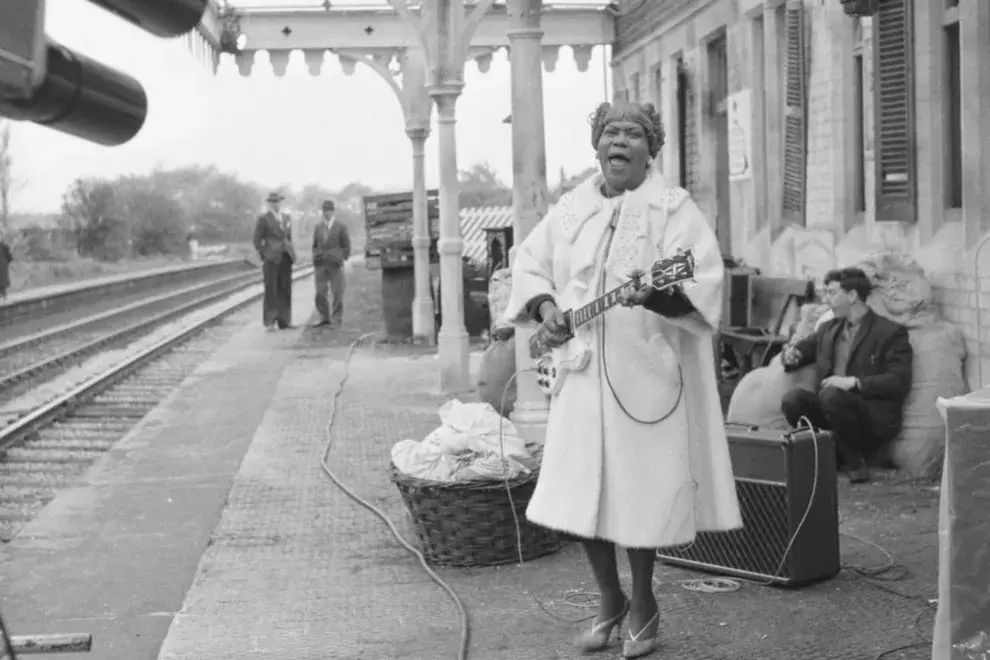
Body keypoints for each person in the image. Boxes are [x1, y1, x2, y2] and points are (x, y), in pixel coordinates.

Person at [503, 101, 742, 658]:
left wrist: (656, 292)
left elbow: (704, 276)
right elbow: (529, 262)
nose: (620, 141)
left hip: (647, 374)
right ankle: (608, 599)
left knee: (641, 495)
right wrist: (545, 309)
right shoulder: (570, 209)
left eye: (634, 134)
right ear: (597, 145)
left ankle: (644, 604)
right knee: (579, 493)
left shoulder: (673, 208)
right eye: (611, 132)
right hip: (581, 374)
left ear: (650, 150)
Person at [780, 267, 913, 484]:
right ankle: (828, 455)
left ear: (851, 296)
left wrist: (853, 383)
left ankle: (855, 463)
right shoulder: (828, 329)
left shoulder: (889, 332)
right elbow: (802, 351)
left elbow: (899, 380)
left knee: (831, 395)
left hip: (870, 417)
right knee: (792, 399)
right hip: (830, 409)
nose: (826, 299)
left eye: (832, 293)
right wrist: (791, 355)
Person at [253, 191, 296, 330]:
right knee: (271, 290)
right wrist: (264, 254)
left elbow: (289, 237)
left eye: (278, 201)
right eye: (273, 202)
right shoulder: (264, 219)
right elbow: (257, 240)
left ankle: (285, 321)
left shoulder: (286, 218)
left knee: (285, 289)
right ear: (269, 203)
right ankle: (270, 322)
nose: (276, 204)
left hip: (285, 257)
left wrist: (290, 250)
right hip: (271, 258)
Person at [310, 199, 351, 327]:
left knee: (337, 292)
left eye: (328, 211)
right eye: (324, 211)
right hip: (320, 264)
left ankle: (337, 318)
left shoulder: (340, 227)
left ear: (333, 212)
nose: (326, 213)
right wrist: (315, 256)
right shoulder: (318, 227)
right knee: (320, 292)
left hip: (335, 264)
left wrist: (340, 258)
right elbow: (315, 245)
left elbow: (346, 246)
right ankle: (324, 317)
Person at [0, 229, 11, 300]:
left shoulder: (5, 246)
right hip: (3, 266)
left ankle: (4, 295)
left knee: (3, 282)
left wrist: (5, 262)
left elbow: (9, 257)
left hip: (2, 267)